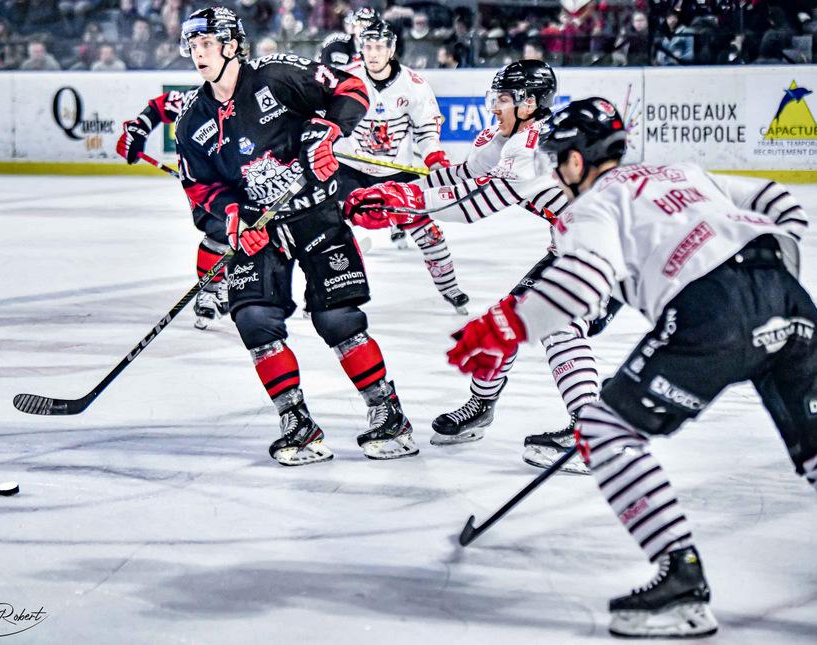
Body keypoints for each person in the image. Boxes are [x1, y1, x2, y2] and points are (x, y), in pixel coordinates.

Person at [447, 97, 814, 638]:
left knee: (602, 427)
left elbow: (580, 283)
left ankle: (682, 584)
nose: (556, 172)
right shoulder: (682, 171)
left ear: (576, 161)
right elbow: (778, 199)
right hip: (787, 296)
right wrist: (777, 278)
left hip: (711, 313)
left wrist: (506, 326)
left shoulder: (591, 206)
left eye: (558, 161)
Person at [174, 6, 418, 465]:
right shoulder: (191, 121)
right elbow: (200, 189)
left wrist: (329, 130)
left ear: (231, 45)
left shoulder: (276, 74)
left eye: (207, 44)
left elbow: (351, 88)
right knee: (253, 320)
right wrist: (232, 219)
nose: (199, 54)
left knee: (337, 319)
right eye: (193, 46)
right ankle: (297, 423)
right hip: (259, 228)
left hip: (316, 213)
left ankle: (388, 414)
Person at [344, 61, 603, 474]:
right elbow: (460, 177)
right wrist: (395, 191)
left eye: (503, 99)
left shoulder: (534, 148)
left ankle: (591, 435)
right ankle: (481, 406)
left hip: (611, 252)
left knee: (559, 327)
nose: (494, 106)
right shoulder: (509, 139)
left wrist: (399, 204)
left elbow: (472, 205)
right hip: (573, 250)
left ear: (528, 104)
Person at [336, 19, 469, 314]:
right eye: (368, 47)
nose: (373, 54)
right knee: (327, 230)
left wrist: (434, 157)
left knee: (427, 231)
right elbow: (325, 118)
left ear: (391, 49)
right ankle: (325, 293)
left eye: (379, 47)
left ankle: (450, 287)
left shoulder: (414, 85)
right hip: (349, 169)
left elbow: (427, 131)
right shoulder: (345, 78)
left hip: (396, 172)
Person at [116, 88, 231, 331]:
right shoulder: (198, 98)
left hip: (248, 174)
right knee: (219, 227)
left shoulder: (257, 90)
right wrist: (138, 130)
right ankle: (210, 291)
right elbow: (161, 105)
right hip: (206, 182)